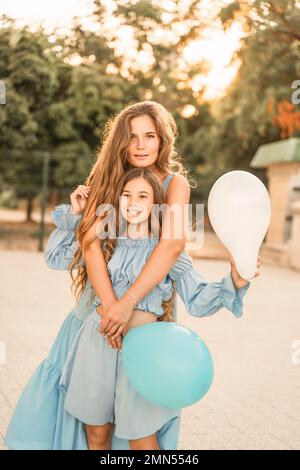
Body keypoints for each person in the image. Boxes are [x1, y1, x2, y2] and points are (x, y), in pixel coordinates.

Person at [5, 101, 257, 450]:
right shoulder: (105, 180)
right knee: (92, 423)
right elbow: (90, 244)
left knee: (141, 424)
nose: (140, 145)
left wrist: (128, 305)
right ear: (120, 141)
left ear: (162, 141)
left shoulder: (174, 184)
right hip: (98, 320)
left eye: (149, 136)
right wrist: (112, 308)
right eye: (132, 136)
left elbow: (171, 246)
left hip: (144, 322)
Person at [58, 167, 253, 451]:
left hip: (142, 352)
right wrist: (77, 215)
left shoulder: (168, 252)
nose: (133, 202)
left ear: (157, 205)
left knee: (142, 438)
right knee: (97, 435)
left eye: (142, 196)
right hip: (97, 342)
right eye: (126, 195)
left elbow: (198, 298)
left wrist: (234, 281)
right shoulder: (108, 242)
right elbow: (59, 257)